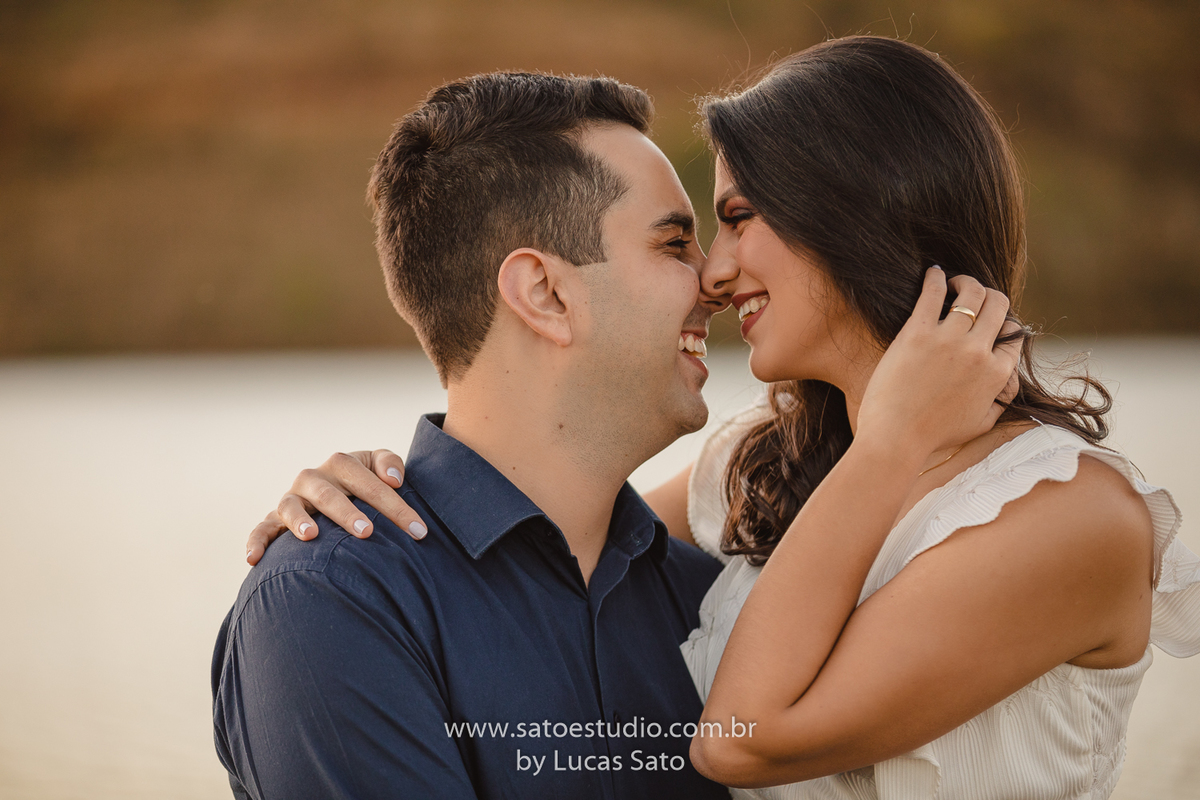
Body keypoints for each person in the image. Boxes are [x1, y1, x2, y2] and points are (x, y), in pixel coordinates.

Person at [242, 37, 1200, 799]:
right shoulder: (763, 468)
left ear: (854, 212)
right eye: (688, 236)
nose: (715, 273)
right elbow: (536, 514)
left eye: (738, 217)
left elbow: (745, 737)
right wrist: (348, 497)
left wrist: (897, 441)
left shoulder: (1070, 516)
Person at [212, 72, 739, 799]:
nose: (717, 280)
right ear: (545, 294)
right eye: (676, 243)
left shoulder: (714, 602)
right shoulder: (330, 604)